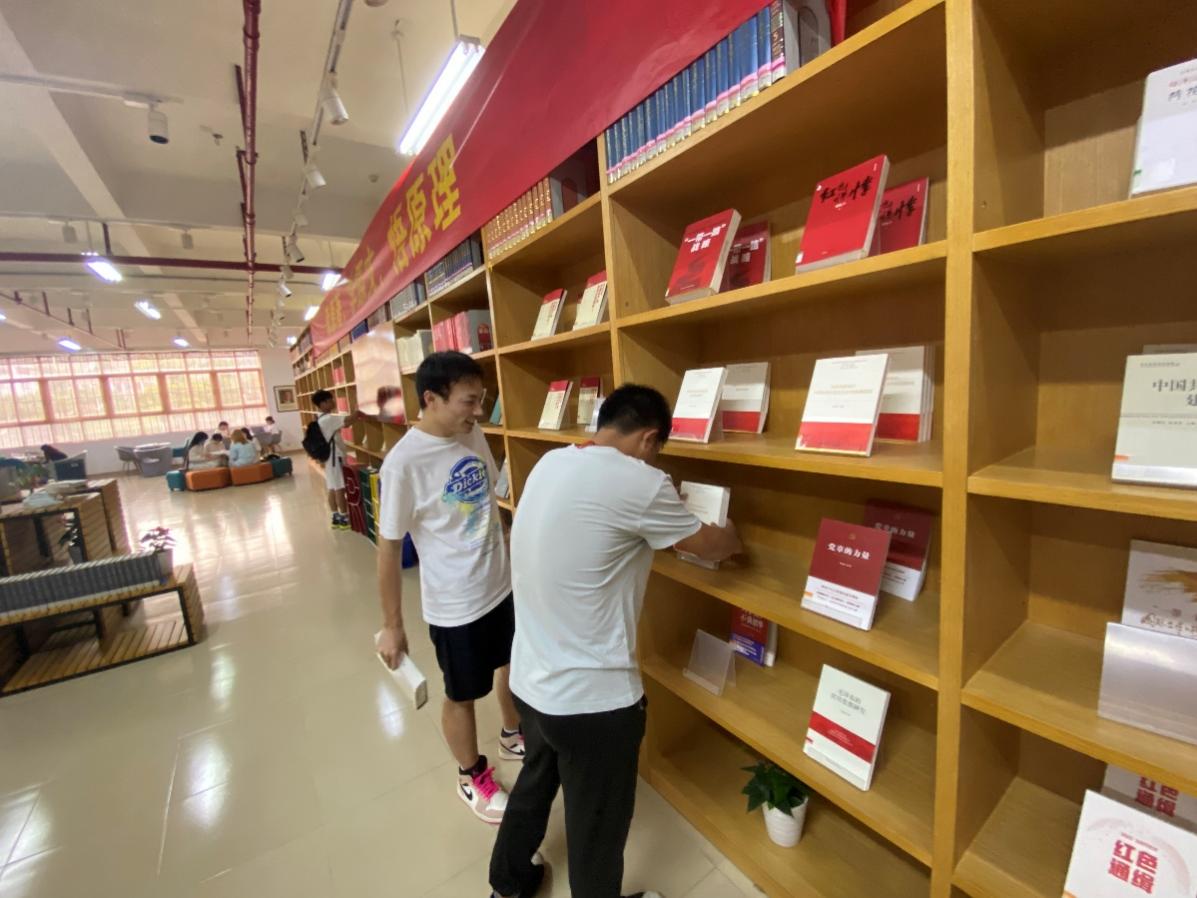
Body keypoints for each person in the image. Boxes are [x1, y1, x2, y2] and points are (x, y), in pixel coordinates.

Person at [488, 385, 741, 898]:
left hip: (532, 681)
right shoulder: (641, 482)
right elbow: (710, 547)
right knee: (597, 828)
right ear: (649, 438)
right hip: (592, 705)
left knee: (536, 780)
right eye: (658, 450)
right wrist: (731, 533)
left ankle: (507, 884)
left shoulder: (551, 462)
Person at [376, 351, 523, 826]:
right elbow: (388, 548)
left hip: (500, 585)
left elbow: (488, 497)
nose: (478, 411)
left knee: (512, 664)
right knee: (462, 694)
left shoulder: (470, 432)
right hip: (456, 604)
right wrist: (392, 626)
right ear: (431, 399)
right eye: (468, 401)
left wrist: (506, 540)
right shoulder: (403, 464)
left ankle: (512, 733)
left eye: (481, 400)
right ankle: (470, 775)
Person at [312, 390, 357, 530]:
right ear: (323, 403)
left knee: (332, 487)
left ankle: (335, 516)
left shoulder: (319, 418)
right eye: (330, 400)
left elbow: (345, 424)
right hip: (334, 457)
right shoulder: (328, 419)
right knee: (339, 488)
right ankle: (344, 518)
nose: (333, 402)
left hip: (328, 458)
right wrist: (359, 409)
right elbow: (348, 420)